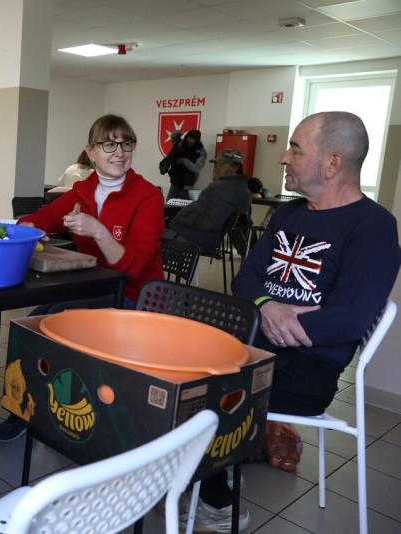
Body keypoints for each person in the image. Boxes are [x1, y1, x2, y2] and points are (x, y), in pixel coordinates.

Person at [181, 111, 401, 534]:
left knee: (207, 390)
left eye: (296, 149)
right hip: (254, 344)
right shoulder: (288, 214)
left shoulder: (373, 228)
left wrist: (270, 322)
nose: (283, 158)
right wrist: (268, 306)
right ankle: (206, 465)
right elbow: (246, 278)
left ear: (332, 164)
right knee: (177, 364)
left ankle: (217, 504)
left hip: (308, 370)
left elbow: (349, 320)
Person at [0, 114, 165, 442]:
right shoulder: (81, 191)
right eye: (109, 144)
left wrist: (98, 231)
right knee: (31, 322)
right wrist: (28, 227)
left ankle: (58, 409)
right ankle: (24, 406)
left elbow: (133, 267)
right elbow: (44, 217)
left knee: (55, 320)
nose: (119, 152)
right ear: (91, 152)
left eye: (126, 144)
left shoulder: (147, 196)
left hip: (135, 296)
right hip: (93, 288)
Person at [162, 148, 252, 253]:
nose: (216, 168)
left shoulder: (222, 188)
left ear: (235, 168)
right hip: (204, 238)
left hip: (190, 237)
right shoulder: (241, 188)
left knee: (150, 243)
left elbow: (210, 223)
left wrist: (181, 217)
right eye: (216, 164)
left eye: (221, 165)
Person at [160, 129, 207, 201]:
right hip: (175, 182)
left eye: (192, 139)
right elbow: (173, 138)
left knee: (184, 206)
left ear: (196, 140)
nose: (189, 140)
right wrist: (177, 132)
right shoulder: (182, 144)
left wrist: (183, 161)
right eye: (188, 138)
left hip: (187, 186)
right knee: (169, 203)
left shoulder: (202, 153)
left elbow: (197, 168)